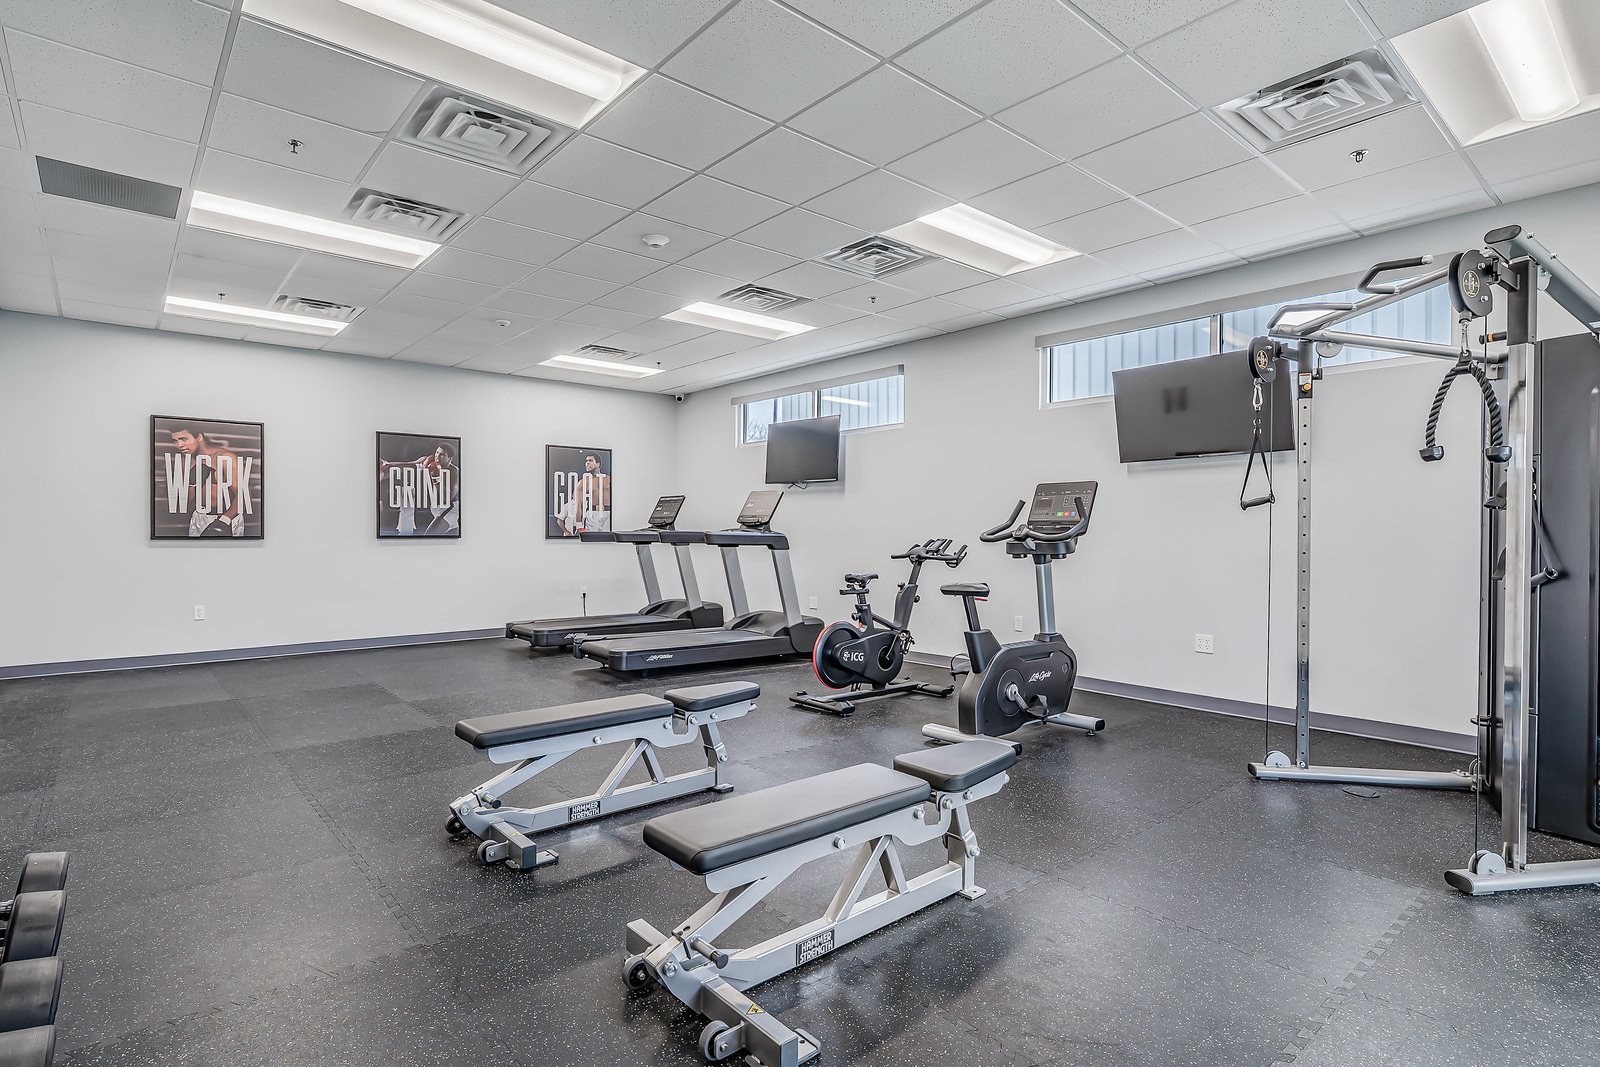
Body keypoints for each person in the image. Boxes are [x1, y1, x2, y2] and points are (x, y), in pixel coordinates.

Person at [168, 425, 250, 537]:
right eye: (175, 441)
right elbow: (187, 504)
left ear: (199, 437)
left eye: (184, 439)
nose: (179, 445)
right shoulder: (186, 461)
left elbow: (243, 495)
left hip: (227, 518)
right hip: (199, 518)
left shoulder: (226, 458)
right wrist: (193, 483)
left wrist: (224, 521)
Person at [381, 443, 458, 536]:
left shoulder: (454, 471)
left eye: (442, 455)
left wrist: (436, 479)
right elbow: (410, 464)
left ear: (450, 458)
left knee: (429, 536)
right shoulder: (428, 460)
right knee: (453, 535)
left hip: (449, 507)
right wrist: (387, 463)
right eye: (437, 452)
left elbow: (448, 497)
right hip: (435, 507)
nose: (437, 456)